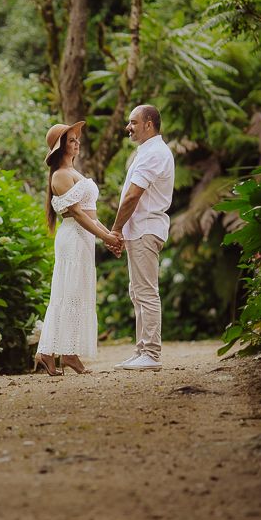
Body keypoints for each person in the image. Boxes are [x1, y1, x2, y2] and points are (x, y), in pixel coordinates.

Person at [34, 121, 122, 376]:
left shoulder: (73, 173)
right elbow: (79, 216)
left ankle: (53, 353)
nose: (77, 143)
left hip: (84, 238)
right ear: (61, 147)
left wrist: (109, 236)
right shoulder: (61, 175)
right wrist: (107, 237)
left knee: (77, 293)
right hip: (73, 238)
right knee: (68, 293)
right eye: (72, 140)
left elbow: (91, 216)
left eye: (76, 139)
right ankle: (62, 353)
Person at [109, 105, 175, 371]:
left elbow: (133, 196)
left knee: (146, 292)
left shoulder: (155, 153)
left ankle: (151, 353)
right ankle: (142, 350)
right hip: (139, 230)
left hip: (147, 229)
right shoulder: (147, 152)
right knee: (137, 291)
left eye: (133, 122)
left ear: (149, 123)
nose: (128, 127)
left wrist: (115, 230)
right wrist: (123, 232)